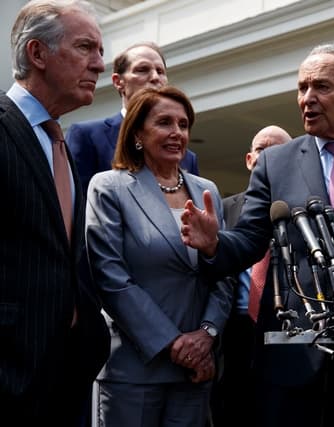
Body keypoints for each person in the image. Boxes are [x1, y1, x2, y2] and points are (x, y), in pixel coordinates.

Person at [181, 43, 334, 427]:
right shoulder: (275, 162)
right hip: (294, 344)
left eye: (321, 87)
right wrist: (214, 244)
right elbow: (250, 239)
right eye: (302, 87)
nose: (307, 98)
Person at [85, 86, 230, 426]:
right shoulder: (108, 187)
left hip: (196, 370)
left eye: (183, 124)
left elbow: (223, 269)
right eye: (164, 122)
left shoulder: (207, 191)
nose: (176, 132)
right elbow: (110, 277)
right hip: (135, 369)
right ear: (137, 133)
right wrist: (174, 344)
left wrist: (207, 335)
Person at [0, 1, 110, 425]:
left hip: (65, 378)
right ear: (38, 53)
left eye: (100, 51)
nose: (99, 64)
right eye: (85, 48)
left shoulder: (59, 144)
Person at [213, 125, 292, 427]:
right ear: (249, 160)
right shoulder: (224, 208)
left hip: (286, 331)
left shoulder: (302, 210)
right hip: (235, 332)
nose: (268, 156)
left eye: (277, 149)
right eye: (261, 149)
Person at [67, 41, 199, 196]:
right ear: (118, 82)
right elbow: (74, 203)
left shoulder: (187, 157)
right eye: (142, 70)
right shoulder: (87, 136)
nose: (155, 78)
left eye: (160, 71)